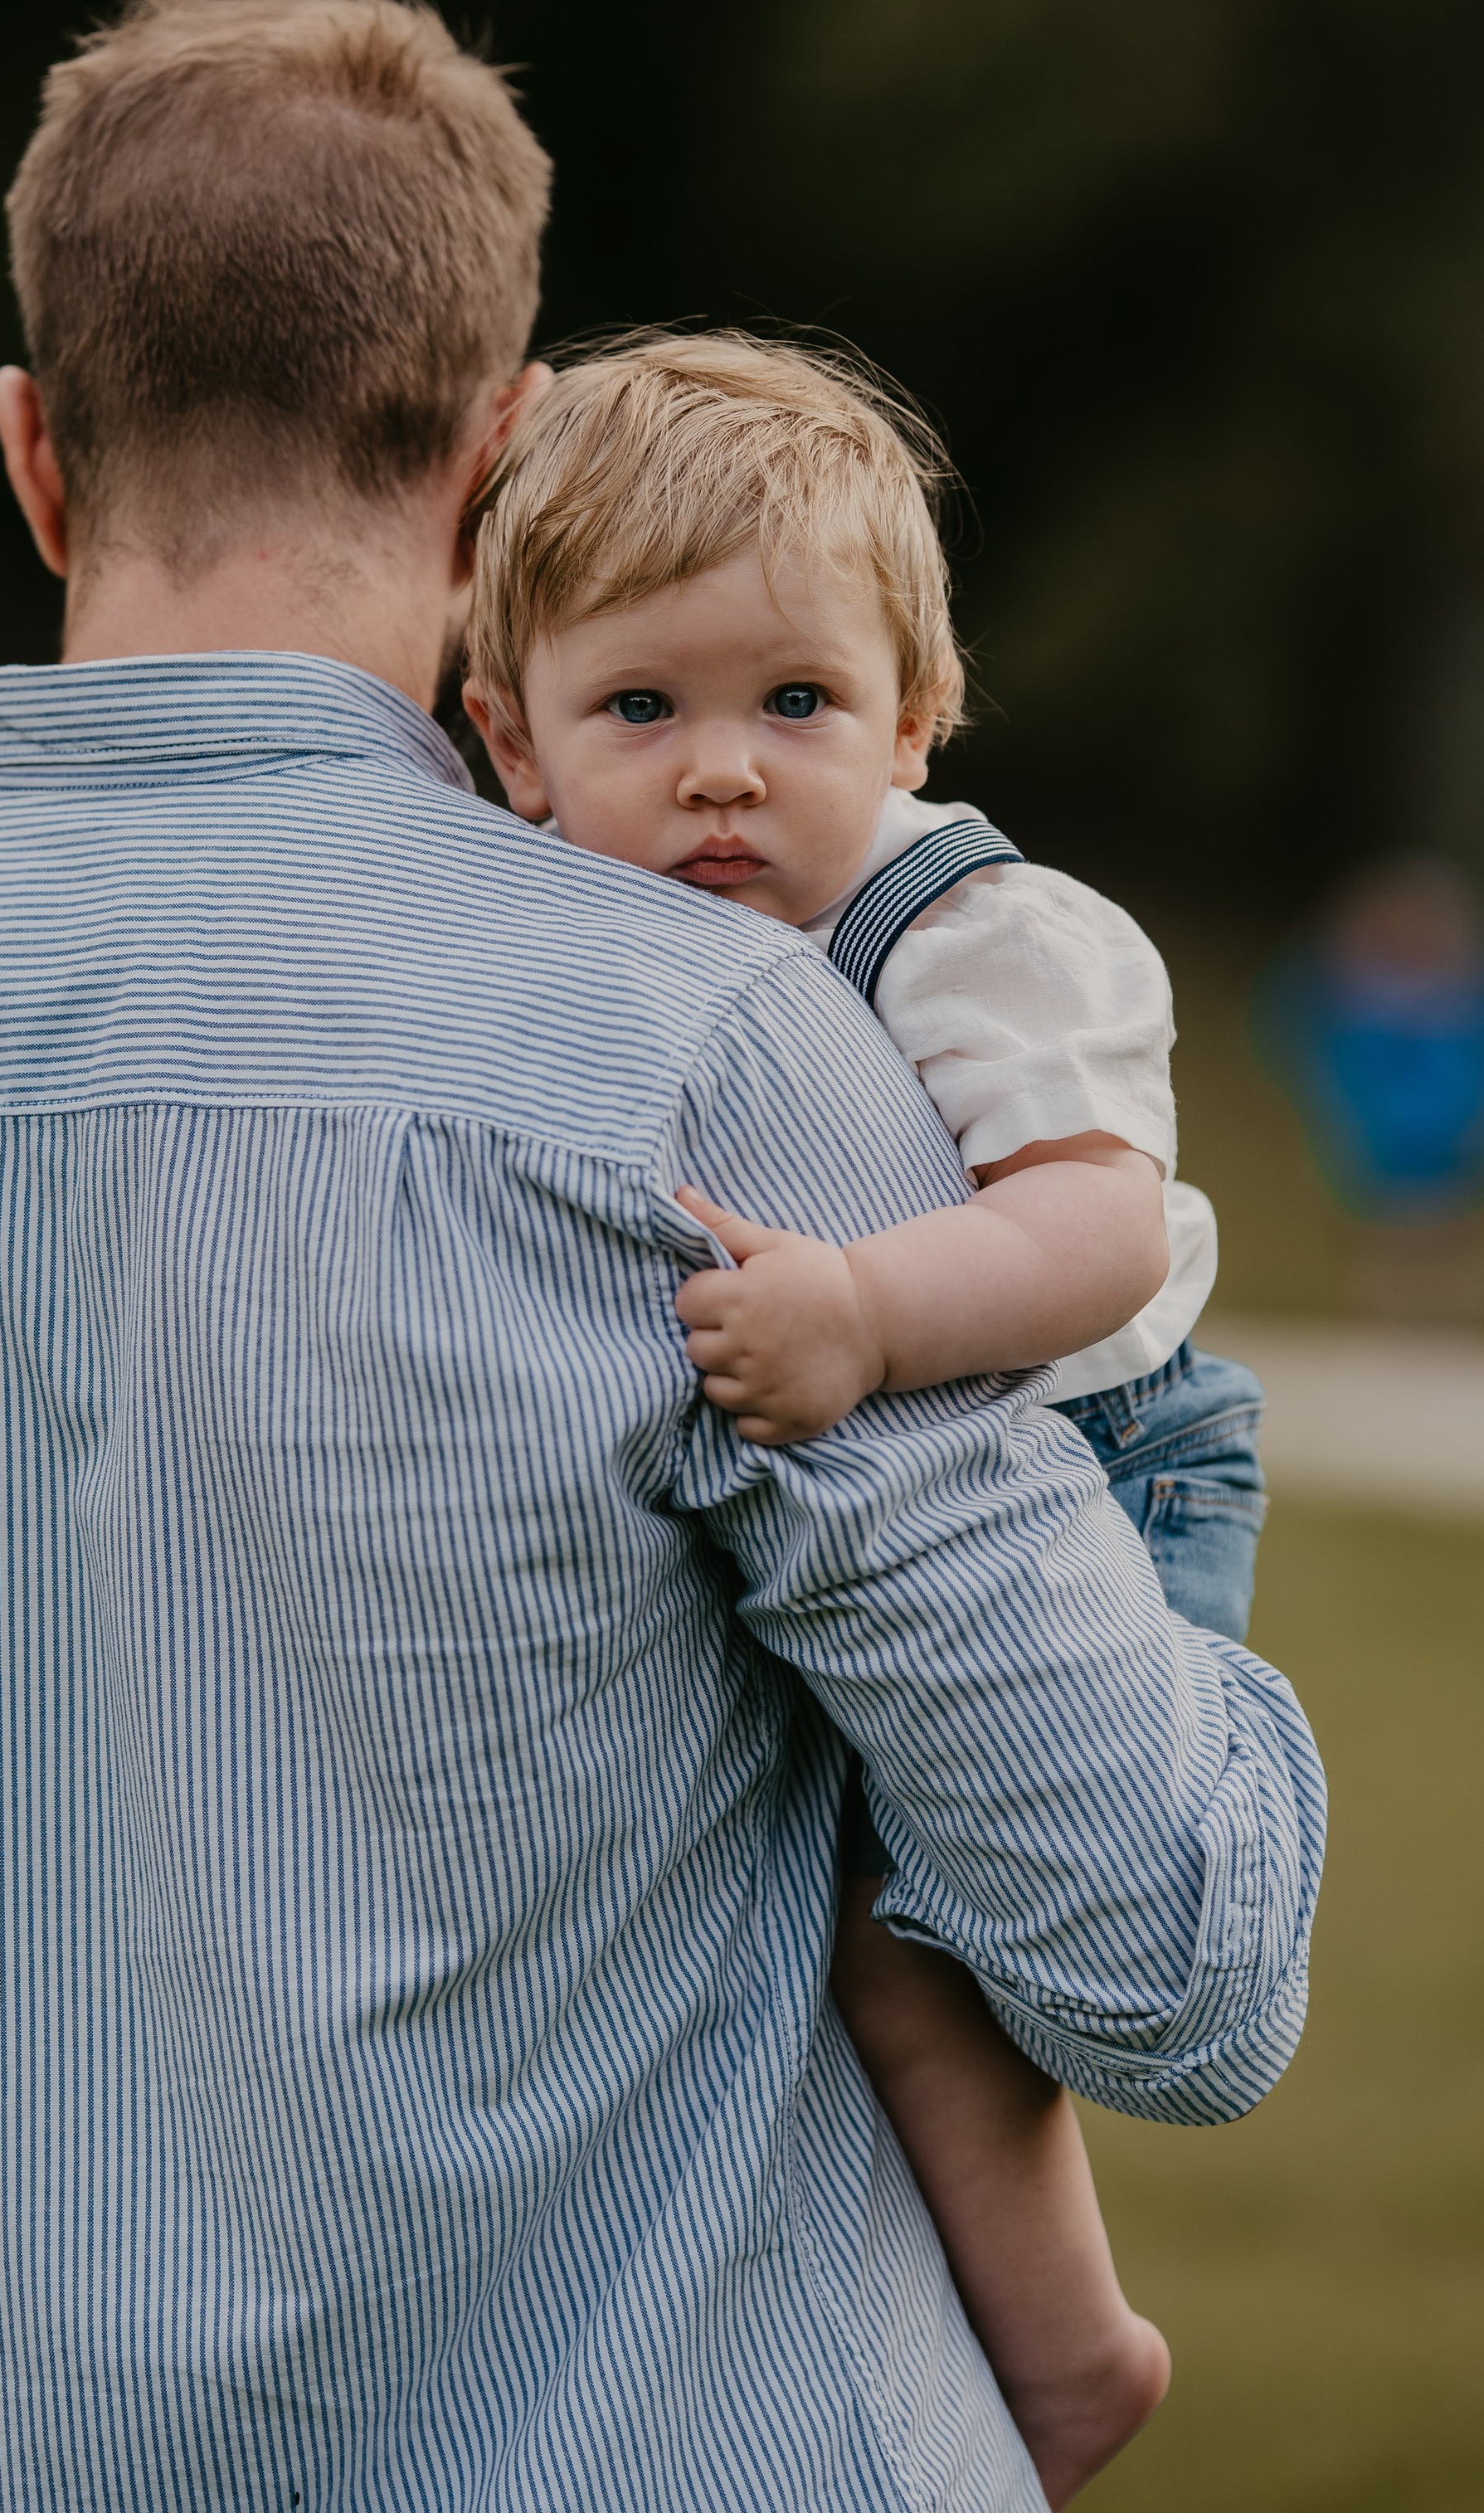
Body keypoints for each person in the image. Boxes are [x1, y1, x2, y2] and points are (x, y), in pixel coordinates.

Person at [0, 0, 1325, 2513]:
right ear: (496, 467)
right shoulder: (710, 1057)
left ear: (37, 460)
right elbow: (1173, 1969)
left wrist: (39, 2090)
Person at [462, 330, 1272, 2500]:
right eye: (644, 709)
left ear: (913, 718)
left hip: (1105, 1457)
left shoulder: (984, 931)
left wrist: (865, 1314)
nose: (724, 771)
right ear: (509, 744)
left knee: (911, 1963)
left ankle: (1075, 2351)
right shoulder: (567, 932)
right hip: (876, 1454)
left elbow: (1098, 1231)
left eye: (796, 705)